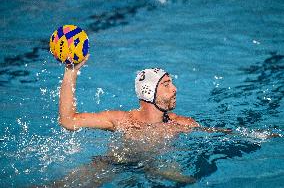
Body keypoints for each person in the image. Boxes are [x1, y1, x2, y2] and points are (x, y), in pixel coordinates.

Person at [56, 54, 232, 186]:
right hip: (113, 164)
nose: (175, 89)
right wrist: (71, 72)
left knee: (189, 181)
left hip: (156, 168)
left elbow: (221, 136)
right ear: (149, 92)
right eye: (166, 84)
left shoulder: (181, 123)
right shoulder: (121, 119)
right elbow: (68, 120)